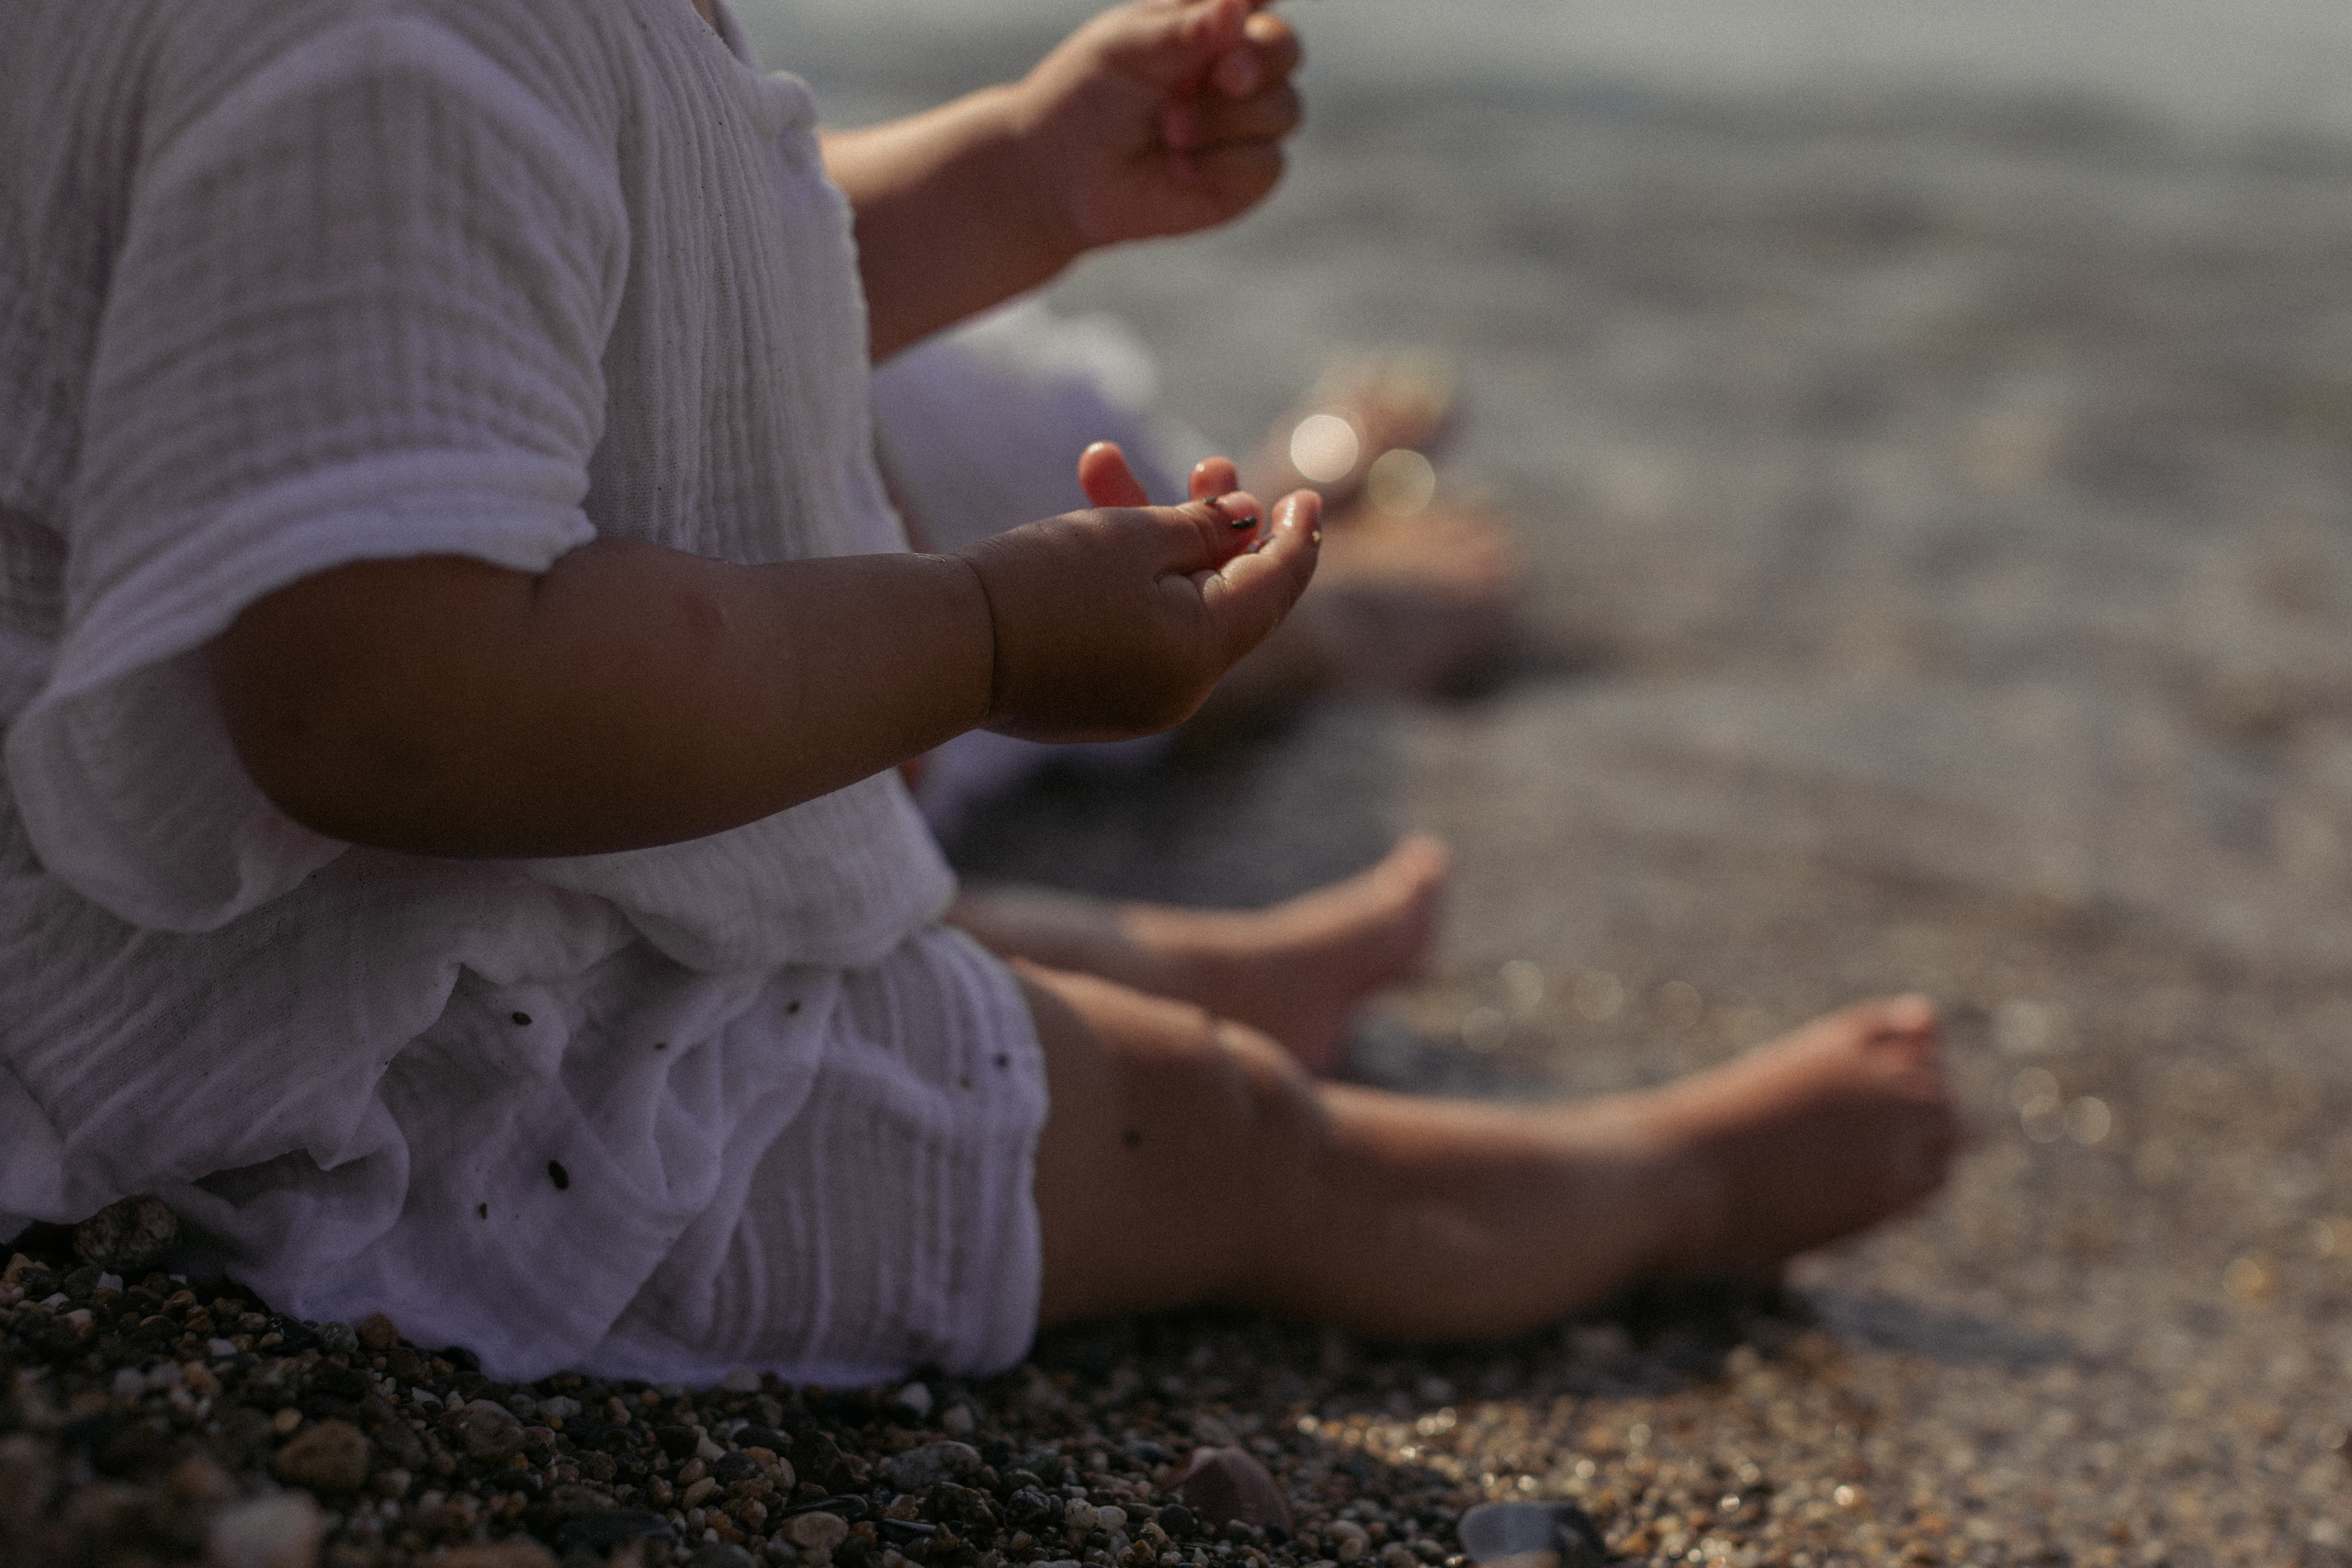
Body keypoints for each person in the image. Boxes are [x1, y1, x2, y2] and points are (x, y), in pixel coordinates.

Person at [0, 0, 1958, 1387]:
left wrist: (1017, 175)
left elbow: (636, 283)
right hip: (360, 1057)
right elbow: (398, 712)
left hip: (335, 898)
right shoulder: (389, 41)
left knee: (847, 868)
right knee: (1210, 1134)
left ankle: (1128, 941)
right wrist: (987, 643)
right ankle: (1655, 1183)